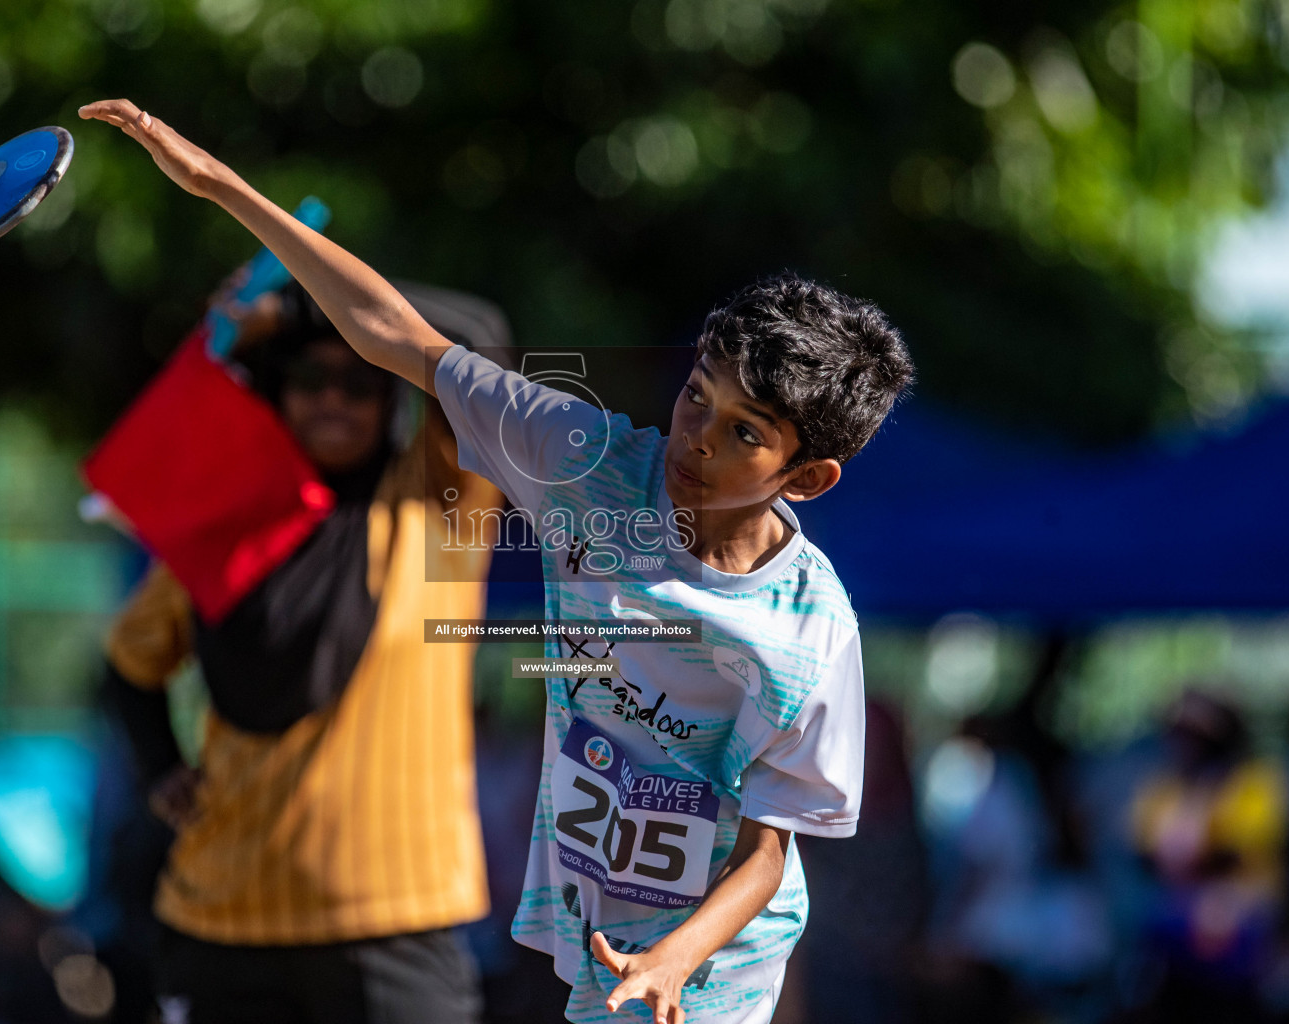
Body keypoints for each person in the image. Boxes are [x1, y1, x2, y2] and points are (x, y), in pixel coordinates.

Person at [79, 98, 914, 1024]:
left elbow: (766, 856)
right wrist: (225, 189)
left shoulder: (809, 630)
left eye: (743, 433)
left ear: (807, 477)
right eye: (694, 397)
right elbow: (403, 336)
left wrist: (674, 963)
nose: (695, 438)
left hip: (712, 971)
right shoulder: (587, 461)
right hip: (591, 946)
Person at [100, 269, 507, 1024]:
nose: (332, 398)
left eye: (358, 383)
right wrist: (160, 769)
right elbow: (128, 663)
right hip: (219, 920)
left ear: (390, 398)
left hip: (395, 926)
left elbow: (481, 338)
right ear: (277, 391)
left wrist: (294, 303)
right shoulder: (225, 523)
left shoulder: (439, 505)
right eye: (310, 377)